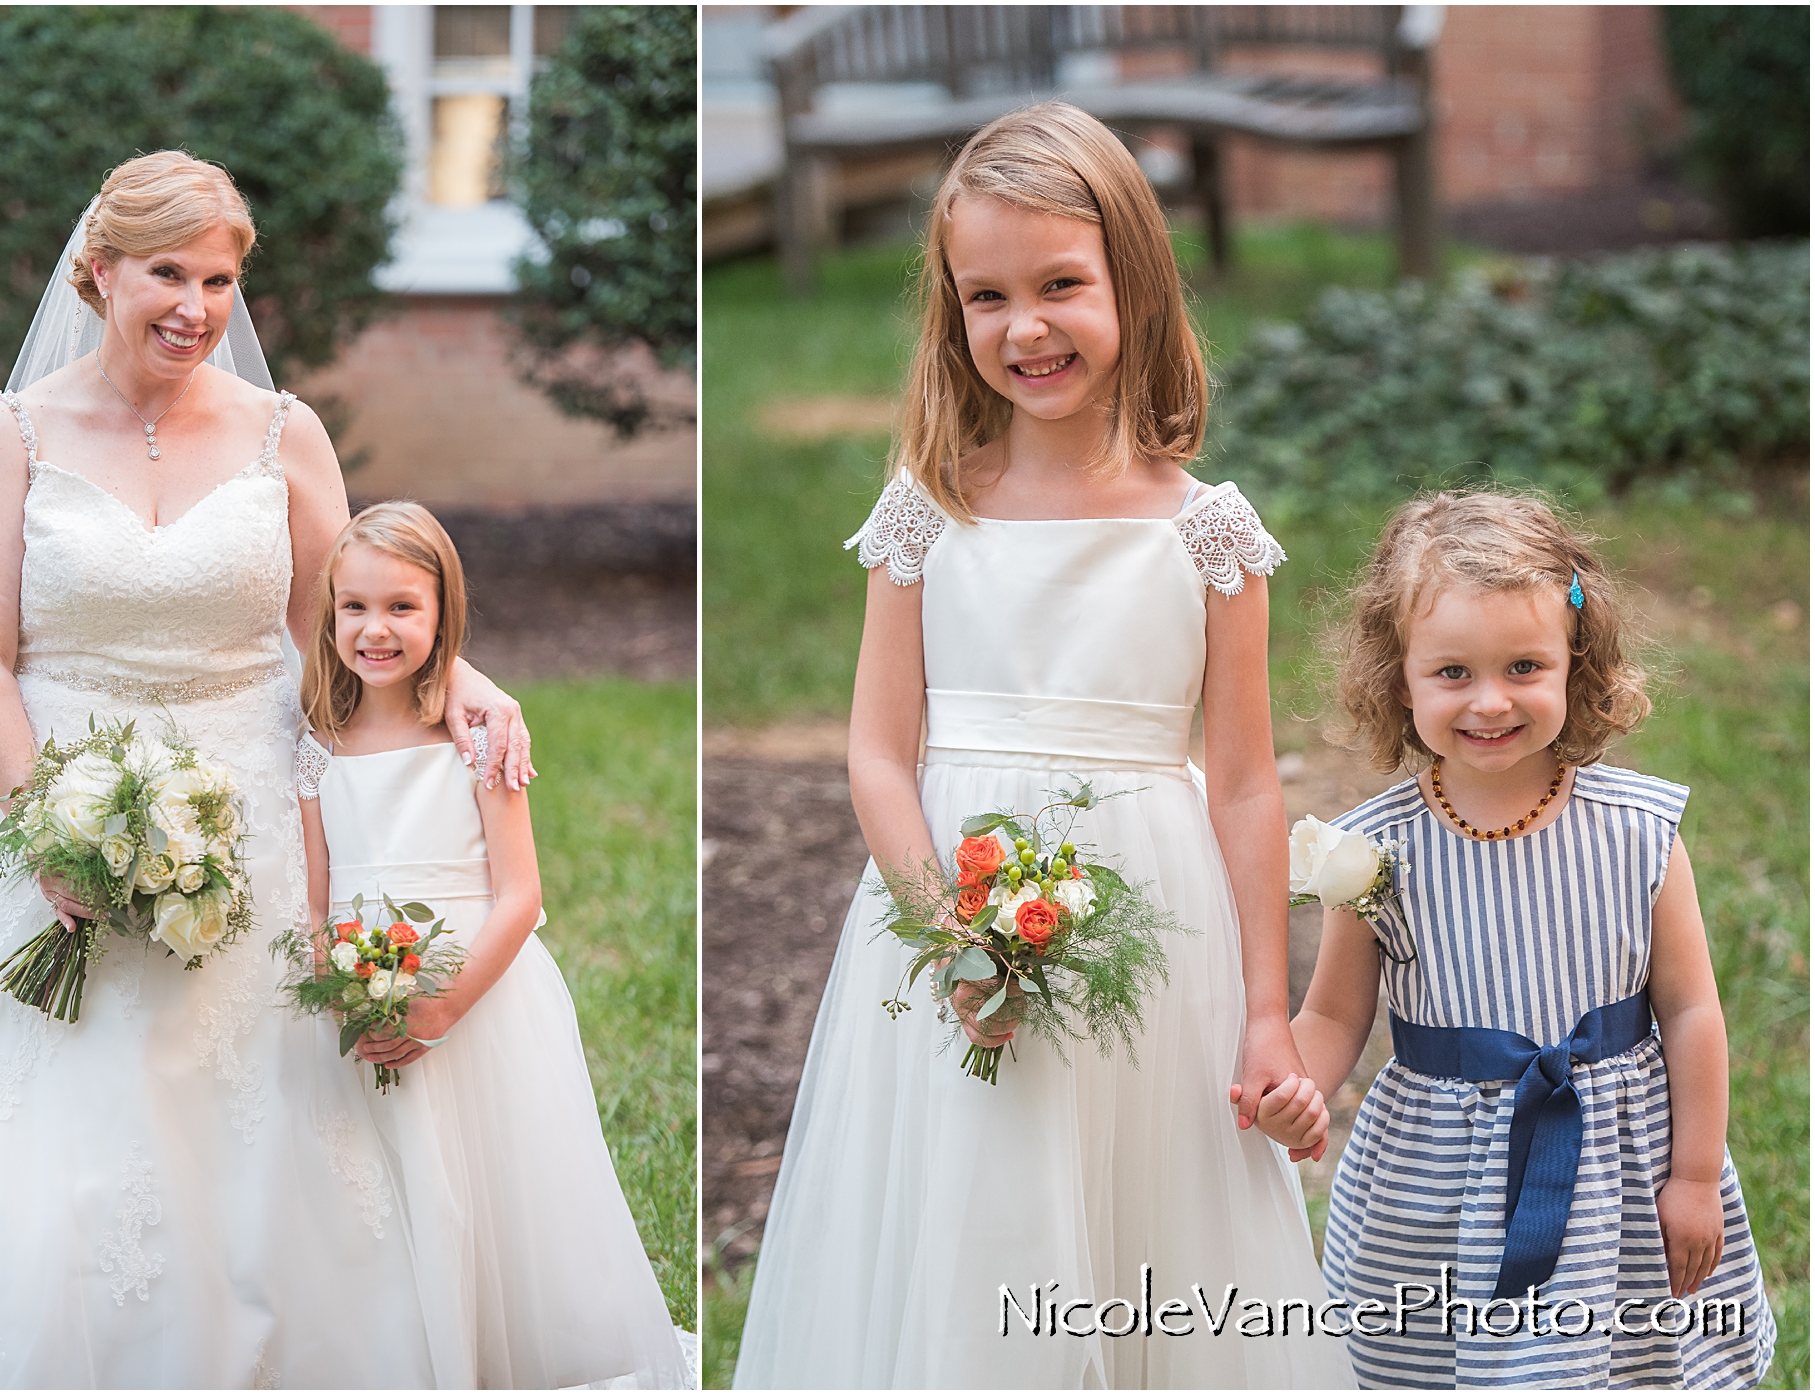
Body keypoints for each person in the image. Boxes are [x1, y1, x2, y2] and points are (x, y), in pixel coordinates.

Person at [0, 151, 547, 1388]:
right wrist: (44, 833)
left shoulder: (282, 432)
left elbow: (336, 621)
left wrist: (465, 678)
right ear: (98, 274)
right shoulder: (7, 434)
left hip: (248, 786)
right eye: (168, 274)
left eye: (221, 279)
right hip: (47, 770)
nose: (196, 306)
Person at [732, 103, 1353, 1389]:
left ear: (1131, 279)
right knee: (977, 1200)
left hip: (1155, 931)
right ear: (950, 315)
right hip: (950, 913)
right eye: (985, 296)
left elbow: (1240, 783)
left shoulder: (1206, 535)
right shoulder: (925, 509)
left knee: (1141, 1222)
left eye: (1060, 285)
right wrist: (948, 937)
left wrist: (1263, 1015)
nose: (1024, 328)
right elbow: (873, 753)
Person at [1256, 492, 1774, 1386]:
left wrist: (1691, 1177)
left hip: (1618, 1166)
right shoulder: (1372, 849)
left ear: (1577, 662)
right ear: (1399, 678)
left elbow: (1690, 1010)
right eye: (1452, 672)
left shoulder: (1637, 830)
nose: (1490, 700)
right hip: (1438, 1176)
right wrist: (1291, 1083)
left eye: (1524, 665)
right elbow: (1336, 1013)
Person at [292, 502, 688, 1387]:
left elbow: (521, 895)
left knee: (491, 1190)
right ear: (328, 617)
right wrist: (344, 992)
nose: (376, 629)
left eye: (402, 607)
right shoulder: (316, 744)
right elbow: (315, 902)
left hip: (477, 998)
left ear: (443, 618)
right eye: (353, 607)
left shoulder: (475, 737)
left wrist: (440, 1004)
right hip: (362, 1006)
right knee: (387, 1189)